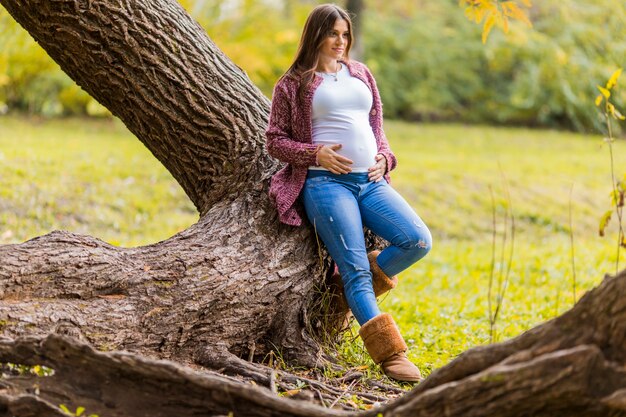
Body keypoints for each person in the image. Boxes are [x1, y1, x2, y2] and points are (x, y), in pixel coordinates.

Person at [265, 3, 431, 382]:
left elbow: (377, 128)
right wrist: (314, 153)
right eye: (332, 33)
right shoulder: (293, 83)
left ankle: (350, 288)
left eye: (345, 34)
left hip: (370, 182)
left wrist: (385, 159)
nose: (340, 41)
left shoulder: (361, 74)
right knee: (356, 269)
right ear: (315, 35)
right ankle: (391, 353)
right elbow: (275, 141)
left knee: (418, 240)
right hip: (325, 184)